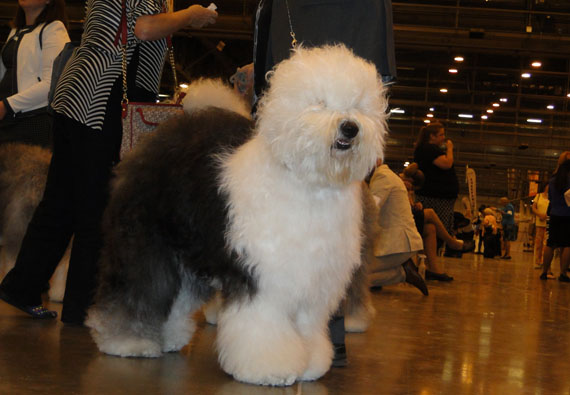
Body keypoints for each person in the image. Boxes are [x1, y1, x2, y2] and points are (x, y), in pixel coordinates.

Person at [0, 1, 217, 324]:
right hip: (103, 98)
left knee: (61, 202)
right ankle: (81, 308)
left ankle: (22, 286)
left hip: (75, 95)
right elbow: (143, 29)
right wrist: (190, 16)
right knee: (97, 208)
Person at [0, 0, 69, 148]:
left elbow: (52, 83)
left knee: (26, 170)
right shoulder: (15, 31)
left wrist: (7, 105)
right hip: (7, 119)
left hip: (32, 120)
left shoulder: (54, 28)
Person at [413, 122, 459, 240]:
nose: (444, 138)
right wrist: (450, 148)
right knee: (438, 228)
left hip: (439, 196)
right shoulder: (428, 149)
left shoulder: (428, 149)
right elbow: (447, 164)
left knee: (437, 228)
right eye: (441, 135)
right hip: (435, 197)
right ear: (432, 136)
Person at [542, 152, 570, 282]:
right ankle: (563, 274)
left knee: (550, 244)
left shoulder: (552, 180)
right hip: (568, 216)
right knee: (567, 245)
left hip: (554, 215)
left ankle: (544, 272)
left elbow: (551, 199)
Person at [532, 183, 549, 269]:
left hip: (549, 224)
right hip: (539, 223)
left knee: (546, 244)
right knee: (538, 243)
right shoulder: (538, 196)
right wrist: (540, 215)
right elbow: (534, 207)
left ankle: (544, 262)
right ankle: (537, 261)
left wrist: (546, 215)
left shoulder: (553, 197)